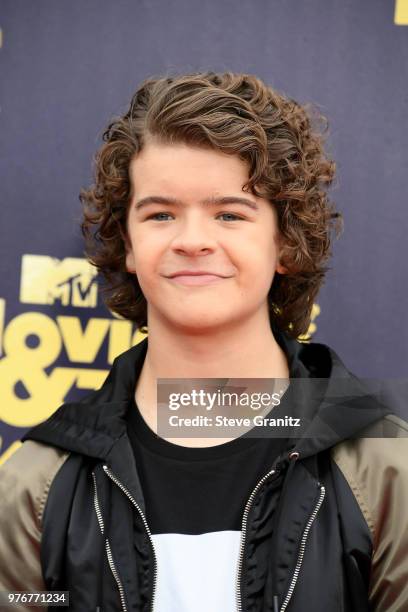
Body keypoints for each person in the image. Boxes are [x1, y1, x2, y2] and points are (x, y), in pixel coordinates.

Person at [0, 71, 407, 612]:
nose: (192, 241)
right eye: (161, 213)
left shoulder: (384, 466)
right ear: (127, 242)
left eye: (229, 214)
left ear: (286, 242)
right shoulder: (38, 483)